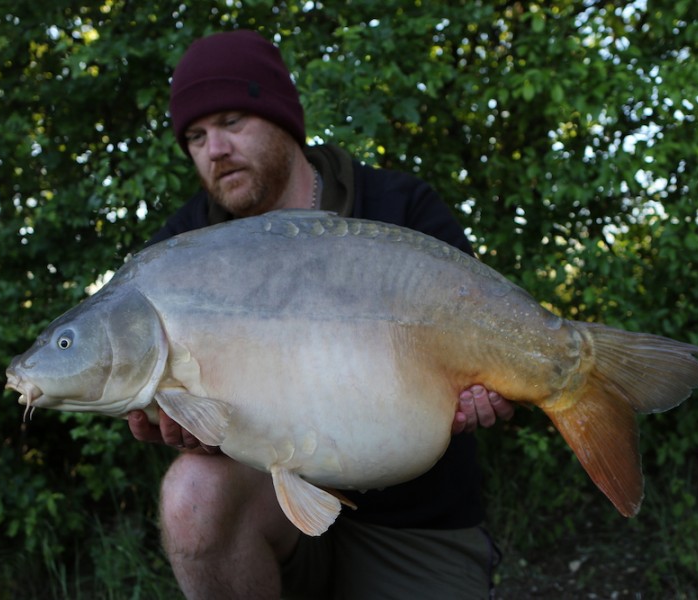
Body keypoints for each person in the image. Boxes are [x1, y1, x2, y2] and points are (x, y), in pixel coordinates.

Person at [127, 29, 515, 600]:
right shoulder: (183, 247)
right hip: (269, 508)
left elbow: (485, 338)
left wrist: (491, 381)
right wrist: (184, 424)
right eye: (195, 135)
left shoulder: (400, 209)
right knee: (191, 493)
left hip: (416, 519)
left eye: (233, 121)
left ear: (285, 118)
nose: (215, 149)